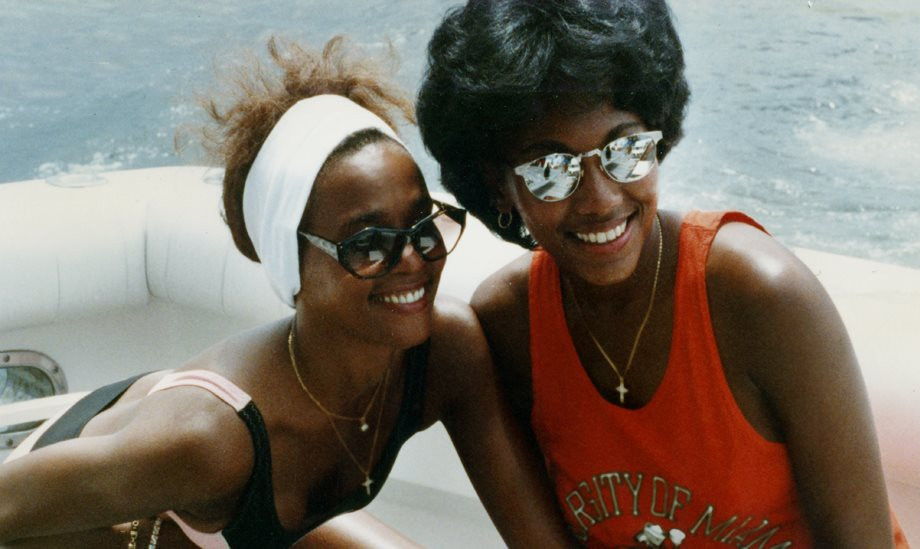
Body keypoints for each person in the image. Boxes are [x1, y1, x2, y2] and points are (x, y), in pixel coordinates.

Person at [0, 37, 575, 548]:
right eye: (368, 243)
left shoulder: (446, 351)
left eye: (423, 226)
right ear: (292, 265)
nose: (413, 262)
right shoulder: (207, 439)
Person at [417, 1, 910, 547]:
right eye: (551, 169)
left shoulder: (762, 296)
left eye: (625, 149)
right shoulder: (510, 328)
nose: (601, 199)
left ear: (660, 134)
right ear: (499, 186)